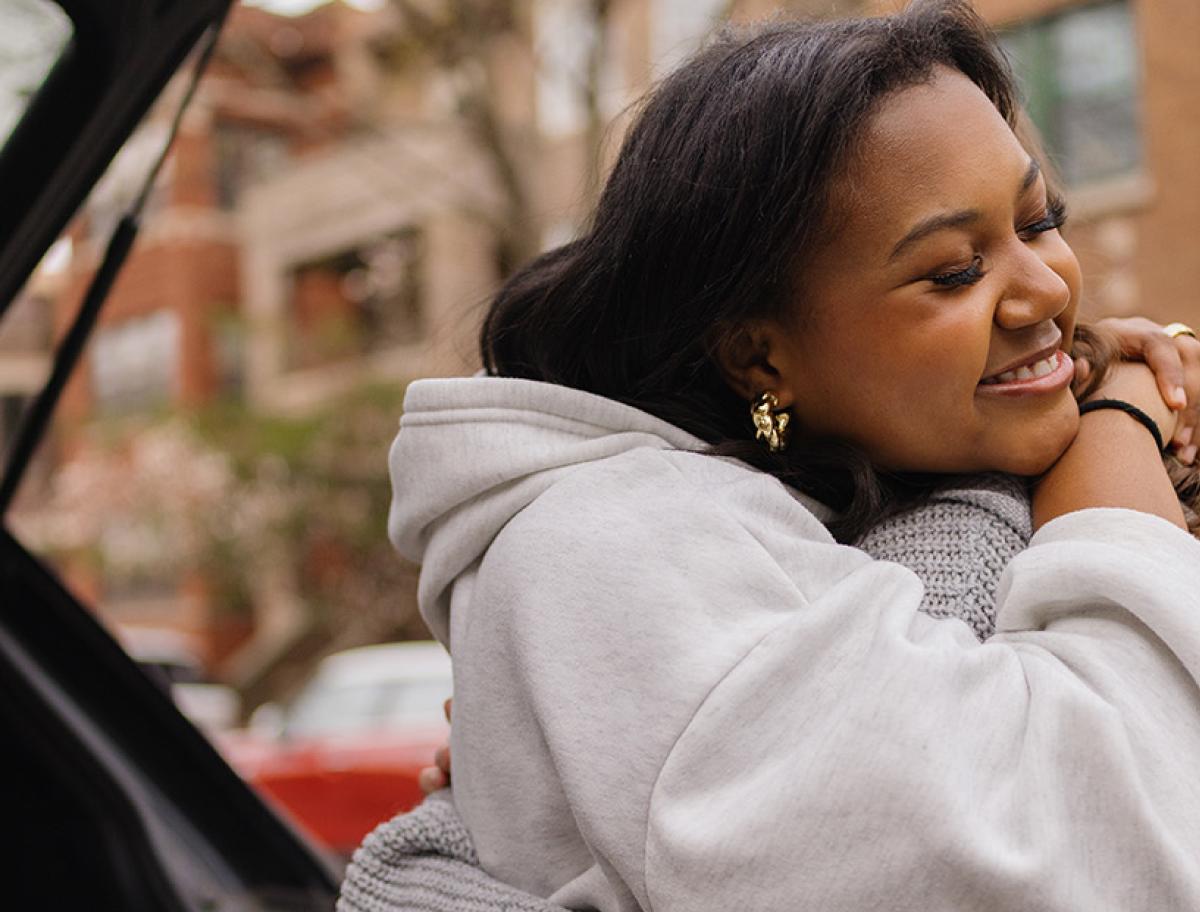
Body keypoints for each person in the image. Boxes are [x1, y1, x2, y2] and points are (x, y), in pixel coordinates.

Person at [367, 2, 1200, 909]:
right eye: (954, 270)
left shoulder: (873, 494)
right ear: (761, 357)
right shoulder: (611, 541)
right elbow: (1106, 831)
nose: (1045, 288)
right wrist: (1118, 426)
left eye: (1040, 221)